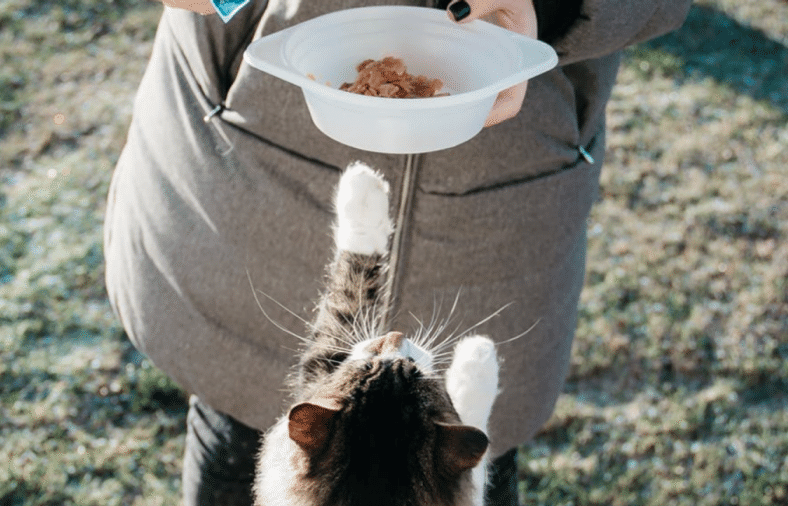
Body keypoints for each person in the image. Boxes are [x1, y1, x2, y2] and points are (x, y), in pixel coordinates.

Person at [102, 1, 692, 504]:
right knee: (235, 421)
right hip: (253, 168)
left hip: (512, 213)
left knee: (461, 456)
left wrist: (556, 4)